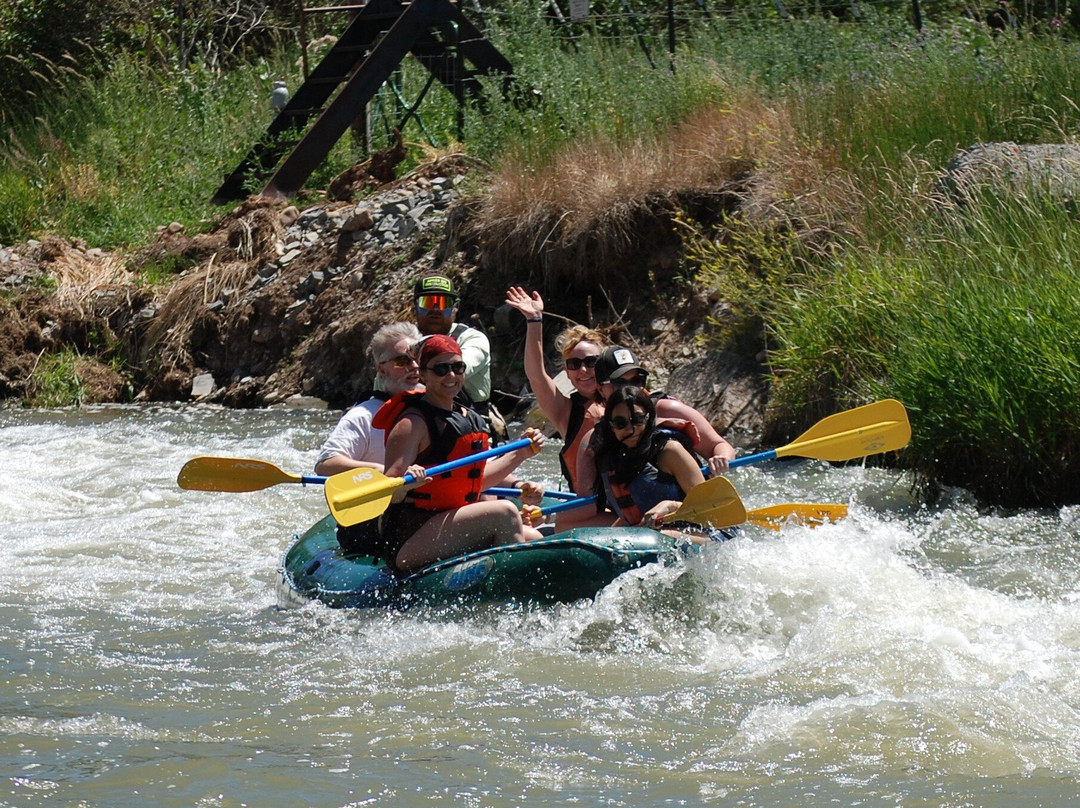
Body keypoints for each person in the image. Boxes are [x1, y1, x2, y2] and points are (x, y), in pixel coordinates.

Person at [369, 334, 545, 573]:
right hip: (410, 537)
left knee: (534, 538)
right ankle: (506, 591)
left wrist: (521, 453)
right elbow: (388, 493)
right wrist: (407, 483)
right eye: (441, 369)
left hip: (451, 521)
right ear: (423, 375)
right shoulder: (412, 423)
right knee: (504, 512)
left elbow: (475, 481)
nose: (451, 376)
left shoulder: (469, 417)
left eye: (457, 367)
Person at [504, 286, 608, 493]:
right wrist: (534, 321)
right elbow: (536, 375)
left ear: (605, 363)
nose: (584, 370)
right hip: (590, 505)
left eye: (591, 362)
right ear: (566, 372)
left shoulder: (627, 398)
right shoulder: (566, 412)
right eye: (574, 364)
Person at [590, 345, 736, 476]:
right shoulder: (596, 437)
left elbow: (720, 445)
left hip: (691, 499)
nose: (631, 389)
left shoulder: (669, 409)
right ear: (600, 389)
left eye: (636, 380)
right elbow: (588, 495)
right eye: (619, 383)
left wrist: (721, 458)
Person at [582, 385, 708, 534]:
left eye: (638, 419)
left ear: (648, 418)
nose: (631, 430)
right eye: (621, 424)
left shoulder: (670, 451)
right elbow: (632, 516)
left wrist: (670, 506)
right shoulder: (616, 460)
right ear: (611, 427)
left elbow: (708, 508)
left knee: (661, 535)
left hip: (703, 534)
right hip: (648, 537)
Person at [314, 322, 422, 476]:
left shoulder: (439, 404)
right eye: (402, 361)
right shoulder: (363, 416)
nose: (414, 366)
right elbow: (325, 465)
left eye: (418, 358)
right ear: (382, 370)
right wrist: (383, 470)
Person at [401, 274, 492, 415]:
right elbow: (385, 379)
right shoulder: (402, 341)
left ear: (454, 309)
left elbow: (460, 369)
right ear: (416, 307)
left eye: (443, 303)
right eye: (427, 302)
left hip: (471, 422)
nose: (435, 310)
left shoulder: (472, 338)